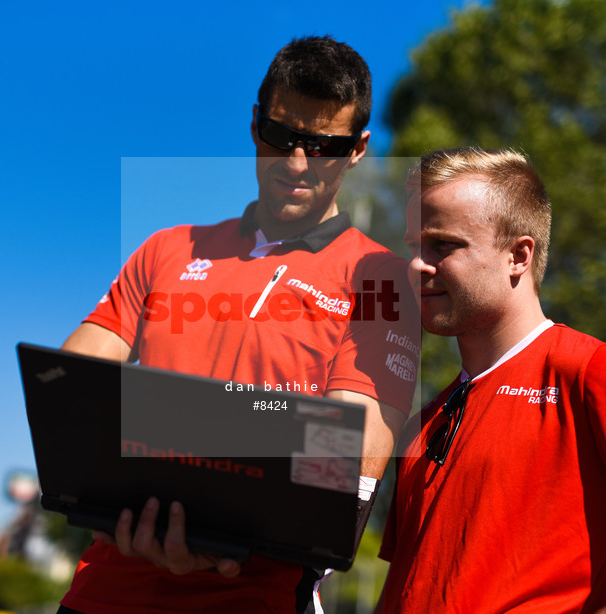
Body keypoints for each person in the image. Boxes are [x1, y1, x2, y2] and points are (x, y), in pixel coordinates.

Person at [56, 36, 421, 614]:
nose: (299, 165)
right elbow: (71, 395)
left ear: (358, 151)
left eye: (326, 147)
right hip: (105, 589)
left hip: (259, 595)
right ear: (255, 125)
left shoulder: (381, 278)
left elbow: (352, 459)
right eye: (282, 137)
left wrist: (225, 526)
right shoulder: (167, 249)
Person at [376, 147, 606, 613]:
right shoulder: (425, 421)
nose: (418, 265)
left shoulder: (594, 372)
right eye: (413, 246)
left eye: (443, 245)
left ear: (519, 256)